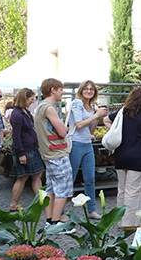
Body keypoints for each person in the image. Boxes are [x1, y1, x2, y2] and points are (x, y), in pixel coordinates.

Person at [104, 87, 141, 229]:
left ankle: (120, 220)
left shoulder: (122, 112)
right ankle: (131, 223)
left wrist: (116, 132)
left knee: (122, 189)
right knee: (133, 191)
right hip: (137, 156)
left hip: (120, 155)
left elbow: (106, 119)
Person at [34, 78, 73, 226]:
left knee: (51, 188)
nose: (62, 92)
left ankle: (49, 220)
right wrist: (65, 128)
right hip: (58, 155)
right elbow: (62, 132)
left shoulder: (40, 107)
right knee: (63, 190)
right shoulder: (49, 108)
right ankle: (56, 223)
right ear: (53, 90)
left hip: (48, 154)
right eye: (61, 89)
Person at [67, 80, 107, 219]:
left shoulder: (91, 106)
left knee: (90, 179)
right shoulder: (77, 103)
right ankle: (60, 211)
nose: (89, 91)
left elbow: (90, 130)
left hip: (87, 144)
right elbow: (78, 125)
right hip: (76, 144)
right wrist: (96, 115)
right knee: (69, 179)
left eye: (91, 89)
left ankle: (92, 210)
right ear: (81, 90)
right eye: (86, 89)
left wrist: (97, 118)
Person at [8, 88, 44, 212]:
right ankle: (13, 204)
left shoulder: (25, 112)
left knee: (37, 174)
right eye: (31, 99)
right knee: (23, 177)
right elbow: (16, 136)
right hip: (24, 149)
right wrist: (21, 153)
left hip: (31, 148)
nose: (33, 102)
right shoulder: (17, 114)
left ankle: (41, 200)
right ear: (24, 98)